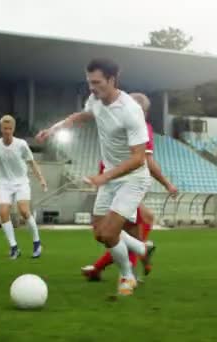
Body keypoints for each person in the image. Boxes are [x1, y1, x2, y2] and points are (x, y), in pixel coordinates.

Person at [35, 58, 155, 296]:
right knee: (100, 233)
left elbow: (138, 158)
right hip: (110, 178)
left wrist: (105, 176)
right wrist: (55, 128)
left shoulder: (131, 111)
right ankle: (142, 248)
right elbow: (82, 115)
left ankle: (126, 276)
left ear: (111, 80)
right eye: (89, 82)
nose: (92, 87)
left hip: (133, 179)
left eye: (97, 82)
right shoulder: (96, 99)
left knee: (110, 233)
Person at [81, 92, 178, 281]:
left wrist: (167, 183)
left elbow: (146, 160)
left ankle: (122, 274)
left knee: (116, 232)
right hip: (110, 184)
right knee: (103, 233)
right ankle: (141, 251)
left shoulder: (141, 129)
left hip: (127, 184)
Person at [0, 115, 48, 259]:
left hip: (21, 182)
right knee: (3, 212)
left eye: (10, 128)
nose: (7, 131)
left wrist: (41, 179)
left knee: (24, 211)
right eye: (4, 128)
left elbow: (32, 162)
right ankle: (14, 248)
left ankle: (37, 243)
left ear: (13, 129)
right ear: (0, 128)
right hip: (5, 184)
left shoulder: (21, 144)